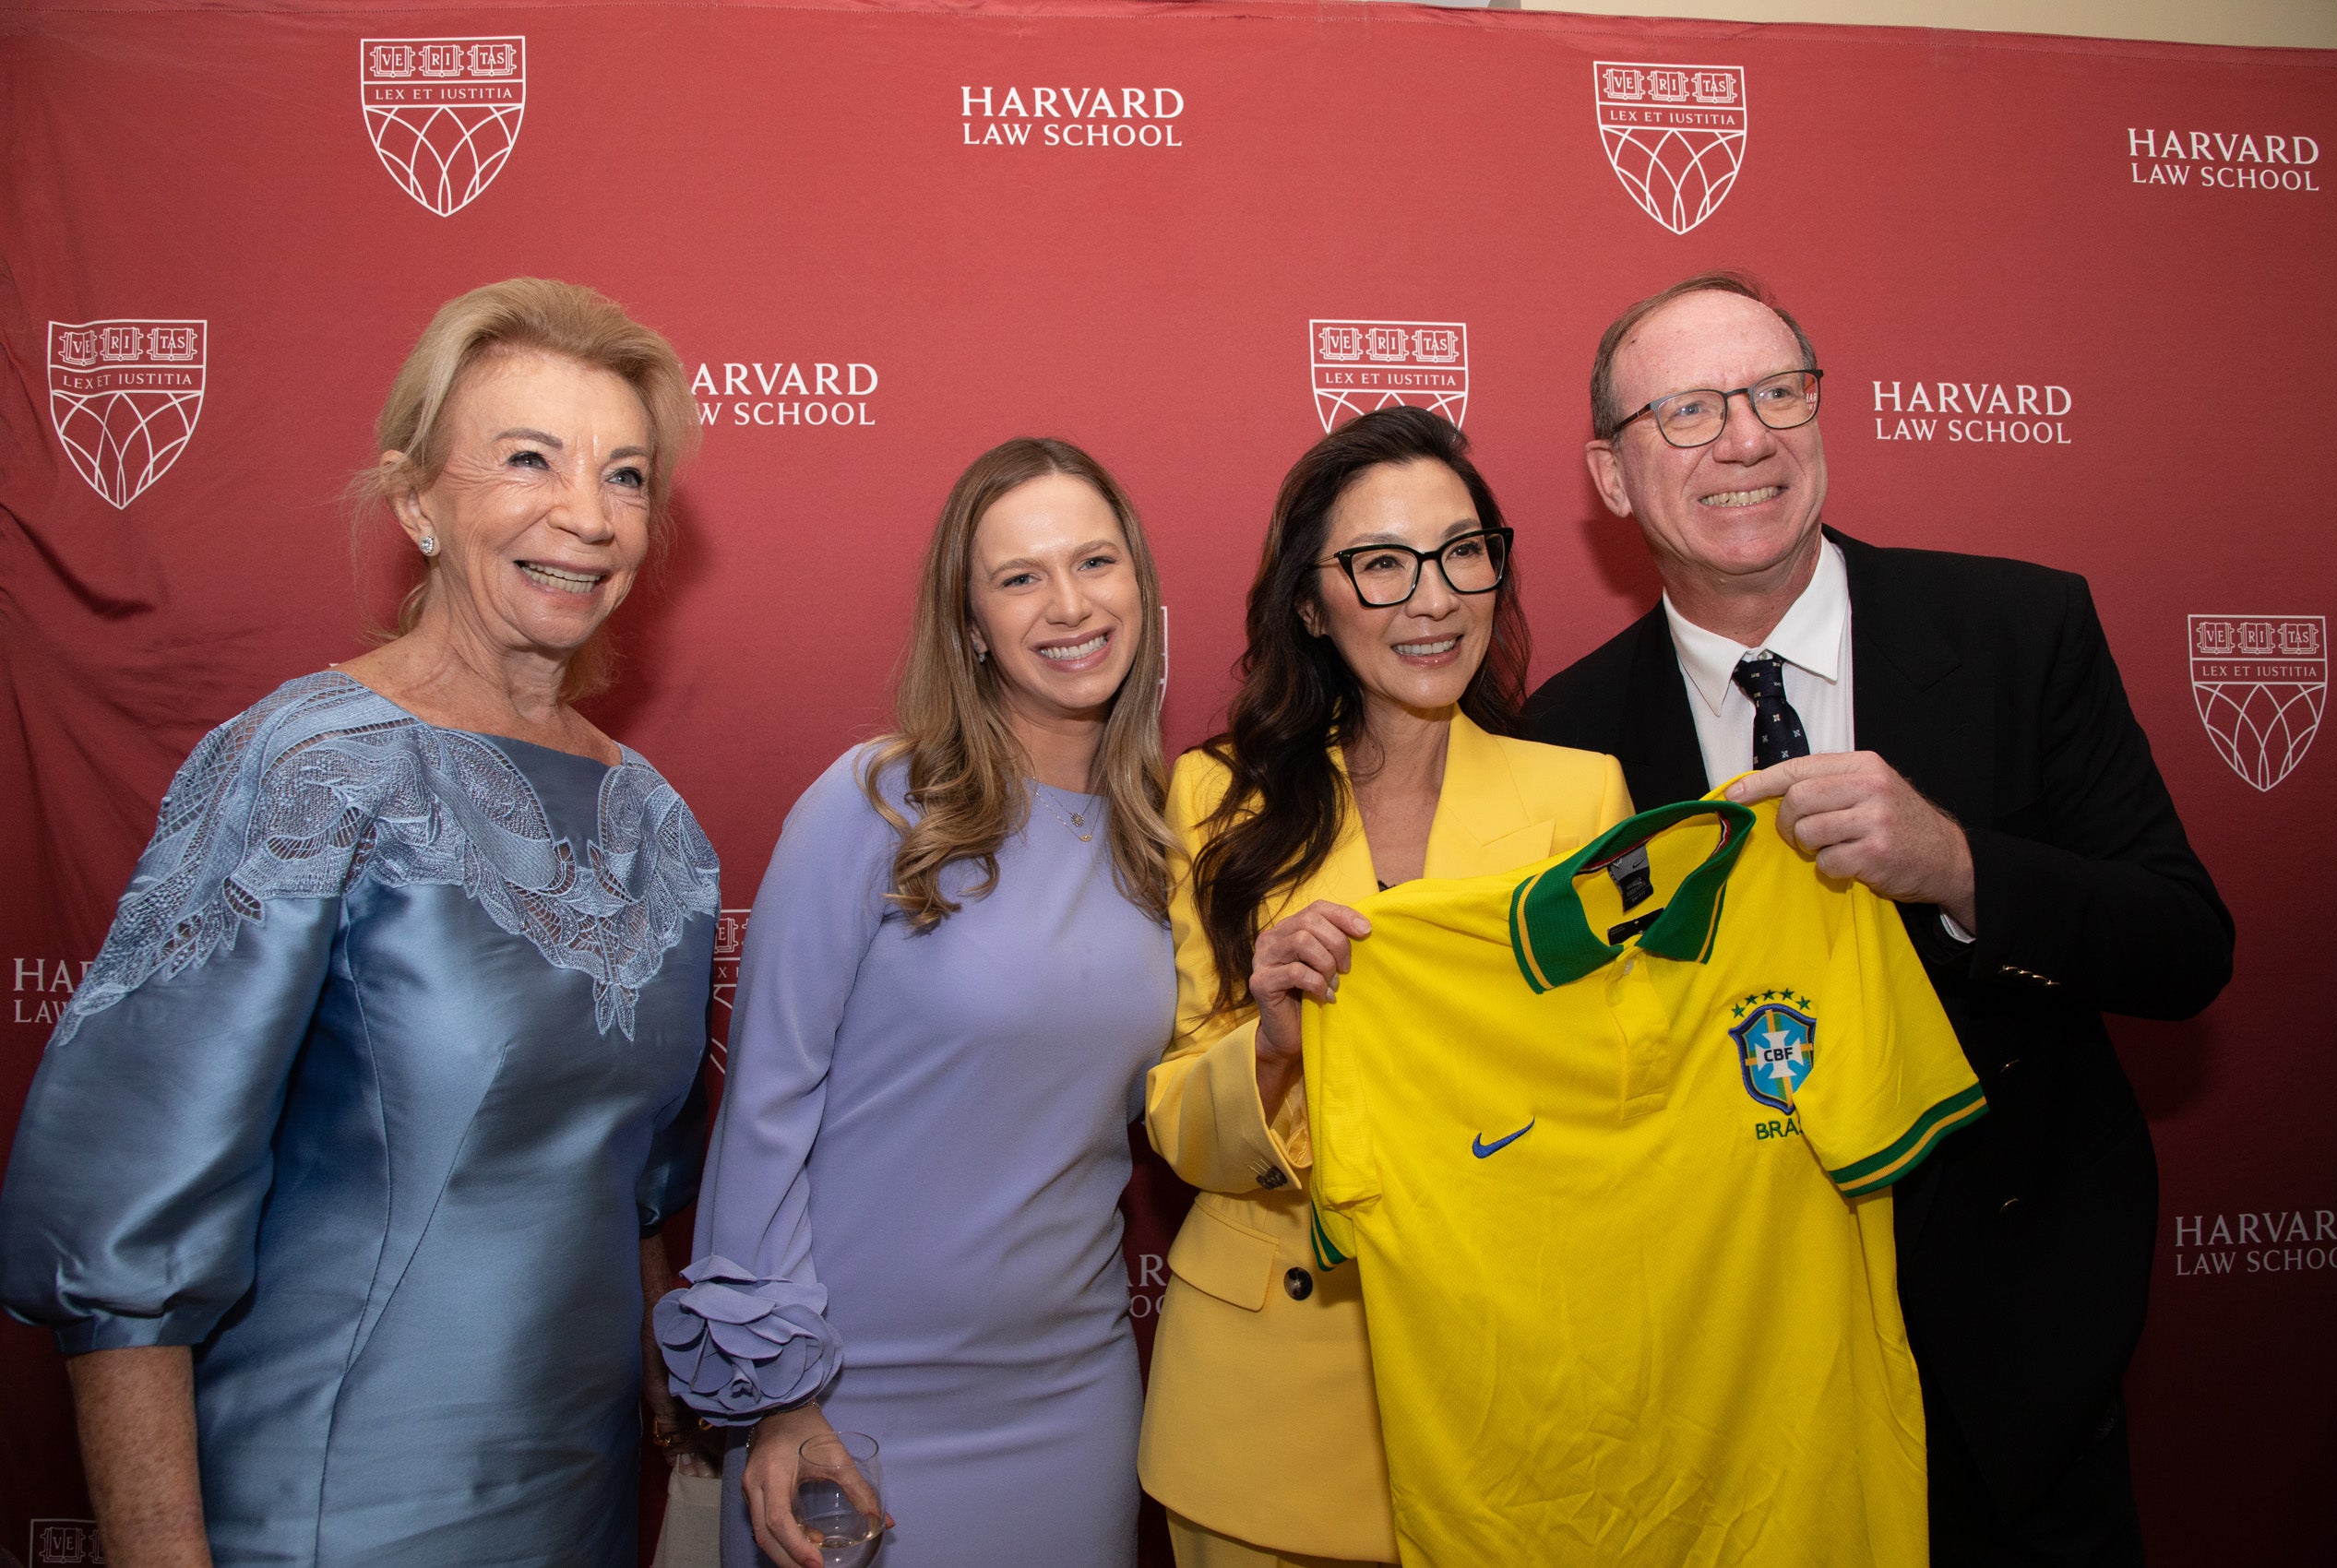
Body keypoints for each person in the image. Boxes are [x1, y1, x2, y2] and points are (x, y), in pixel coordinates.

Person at [0, 277, 720, 1566]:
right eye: (526, 459)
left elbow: (634, 1182)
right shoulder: (305, 767)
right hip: (331, 1502)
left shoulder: (659, 823)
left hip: (585, 1491)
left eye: (624, 476)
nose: (585, 515)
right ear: (414, 500)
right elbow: (123, 1230)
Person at [1523, 271, 2233, 1564]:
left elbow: (2182, 947)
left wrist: (1959, 865)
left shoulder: (2021, 629)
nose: (1744, 439)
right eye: (1685, 412)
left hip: (2013, 1362)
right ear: (1611, 477)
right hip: (1721, 1380)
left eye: (1776, 392)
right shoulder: (1559, 742)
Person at [656, 438, 1177, 1568]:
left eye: (1096, 561)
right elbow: (764, 1115)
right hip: (851, 1404)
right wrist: (782, 1399)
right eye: (1021, 576)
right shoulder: (878, 805)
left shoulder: (1166, 841)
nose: (1071, 604)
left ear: (1141, 582)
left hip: (1072, 1397)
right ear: (970, 619)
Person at [1139, 407, 1632, 1568]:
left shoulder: (1582, 799)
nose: (1434, 596)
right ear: (1310, 603)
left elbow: (1622, 1095)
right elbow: (1177, 1122)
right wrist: (1268, 1041)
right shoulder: (1217, 794)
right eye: (1381, 563)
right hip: (1261, 1419)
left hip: (1515, 1392)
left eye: (1465, 551)